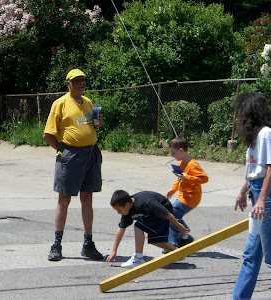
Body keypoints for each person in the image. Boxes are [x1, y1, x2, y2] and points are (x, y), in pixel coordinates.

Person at [43, 69, 104, 261]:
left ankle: (88, 244)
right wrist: (62, 152)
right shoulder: (59, 104)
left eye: (83, 80)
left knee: (87, 199)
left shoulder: (87, 102)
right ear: (68, 84)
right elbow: (48, 135)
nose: (81, 83)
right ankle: (57, 244)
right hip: (70, 155)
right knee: (64, 200)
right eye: (77, 81)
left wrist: (96, 124)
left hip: (91, 154)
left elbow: (89, 125)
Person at [231, 92, 271, 300]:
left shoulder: (266, 134)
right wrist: (242, 191)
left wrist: (262, 200)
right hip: (257, 193)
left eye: (241, 113)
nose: (238, 118)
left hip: (266, 198)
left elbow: (270, 169)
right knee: (251, 255)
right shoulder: (253, 138)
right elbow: (253, 169)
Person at [106, 190, 189, 268]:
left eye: (119, 210)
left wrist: (178, 226)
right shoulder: (127, 211)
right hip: (150, 216)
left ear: (127, 204)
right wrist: (114, 250)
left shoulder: (146, 203)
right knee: (155, 241)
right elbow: (121, 229)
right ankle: (178, 253)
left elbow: (166, 214)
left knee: (138, 226)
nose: (118, 213)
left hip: (163, 211)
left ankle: (138, 258)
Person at [166, 137, 209, 249]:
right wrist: (173, 189)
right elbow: (179, 179)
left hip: (191, 197)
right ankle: (181, 239)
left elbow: (204, 178)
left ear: (181, 150)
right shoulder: (180, 163)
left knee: (171, 216)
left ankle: (181, 237)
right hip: (182, 196)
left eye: (173, 153)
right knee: (172, 217)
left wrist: (188, 177)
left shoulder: (193, 165)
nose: (172, 155)